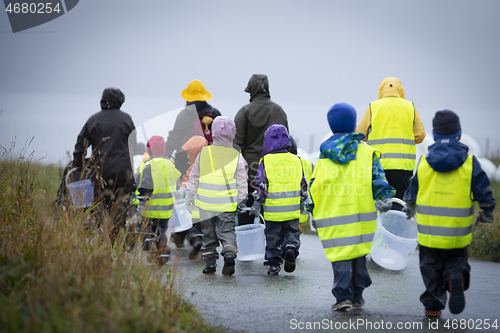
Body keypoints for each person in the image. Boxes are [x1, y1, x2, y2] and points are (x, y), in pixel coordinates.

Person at [404, 110, 496, 317]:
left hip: (428, 235)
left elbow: (412, 190)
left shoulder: (424, 163)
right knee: (456, 261)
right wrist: (488, 211)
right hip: (457, 234)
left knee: (430, 269)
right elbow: (484, 191)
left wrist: (409, 207)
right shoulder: (471, 163)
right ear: (459, 135)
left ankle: (433, 307)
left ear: (434, 136)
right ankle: (455, 275)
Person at [308, 103, 395, 311]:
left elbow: (315, 185)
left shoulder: (324, 156)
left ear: (331, 126)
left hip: (334, 215)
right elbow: (378, 178)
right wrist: (385, 196)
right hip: (361, 216)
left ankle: (342, 297)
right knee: (358, 254)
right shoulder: (368, 153)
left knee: (340, 256)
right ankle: (357, 294)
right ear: (355, 124)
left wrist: (311, 209)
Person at [185, 117, 248, 276]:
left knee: (208, 235)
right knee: (227, 232)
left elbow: (194, 177)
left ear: (213, 133)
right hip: (227, 205)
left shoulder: (204, 153)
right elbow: (242, 181)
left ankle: (211, 264)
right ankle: (228, 253)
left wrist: (189, 195)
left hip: (205, 204)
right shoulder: (237, 156)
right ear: (233, 133)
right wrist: (241, 199)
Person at [73, 88, 137, 241]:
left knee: (99, 201)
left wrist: (79, 166)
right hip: (123, 171)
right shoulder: (126, 119)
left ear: (102, 100)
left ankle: (102, 231)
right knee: (121, 203)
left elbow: (80, 145)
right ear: (120, 101)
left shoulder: (93, 120)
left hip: (100, 171)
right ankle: (115, 236)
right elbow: (133, 145)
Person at [357, 77, 426, 209]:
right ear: (400, 90)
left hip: (378, 167)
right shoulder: (410, 107)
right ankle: (395, 228)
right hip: (403, 167)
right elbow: (420, 136)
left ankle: (381, 229)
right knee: (398, 204)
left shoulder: (373, 107)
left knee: (379, 205)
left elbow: (361, 134)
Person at [250, 124, 308, 275]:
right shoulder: (296, 160)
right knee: (292, 233)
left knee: (272, 237)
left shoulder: (266, 161)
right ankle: (290, 248)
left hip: (272, 211)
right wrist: (303, 200)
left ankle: (274, 264)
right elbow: (302, 183)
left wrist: (257, 202)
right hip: (292, 209)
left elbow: (261, 184)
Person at [234, 74, 289, 225]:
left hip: (250, 174)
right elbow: (286, 143)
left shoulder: (245, 112)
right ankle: (273, 246)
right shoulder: (280, 111)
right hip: (275, 173)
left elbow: (236, 144)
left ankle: (247, 247)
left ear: (251, 90)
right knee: (271, 219)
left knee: (246, 217)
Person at [138, 135, 181, 265]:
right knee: (162, 230)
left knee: (149, 228)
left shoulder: (149, 165)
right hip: (166, 208)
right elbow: (176, 180)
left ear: (149, 151)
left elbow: (146, 186)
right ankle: (163, 253)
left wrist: (141, 202)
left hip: (150, 207)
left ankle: (151, 243)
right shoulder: (169, 164)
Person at [165, 79, 221, 176]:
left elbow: (175, 138)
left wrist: (164, 155)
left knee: (185, 189)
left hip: (185, 162)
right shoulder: (214, 113)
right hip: (211, 162)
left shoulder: (184, 115)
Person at [171, 135, 208, 260]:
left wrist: (180, 193)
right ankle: (205, 248)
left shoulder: (193, 168)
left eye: (189, 153)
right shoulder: (212, 166)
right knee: (206, 228)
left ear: (195, 152)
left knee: (193, 227)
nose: (187, 157)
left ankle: (196, 241)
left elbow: (186, 182)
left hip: (193, 205)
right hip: (209, 205)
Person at [289, 136, 314, 231]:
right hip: (303, 211)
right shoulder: (308, 164)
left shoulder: (284, 163)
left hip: (284, 211)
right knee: (295, 239)